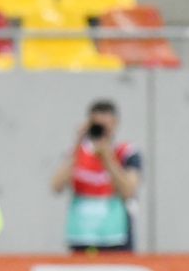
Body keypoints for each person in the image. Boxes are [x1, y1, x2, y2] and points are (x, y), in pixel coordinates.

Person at [50, 99, 141, 253]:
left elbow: (128, 191)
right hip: (82, 236)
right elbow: (56, 186)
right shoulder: (78, 153)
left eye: (105, 125)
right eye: (97, 126)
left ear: (115, 123)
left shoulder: (125, 153)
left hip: (116, 237)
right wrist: (77, 144)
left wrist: (107, 159)